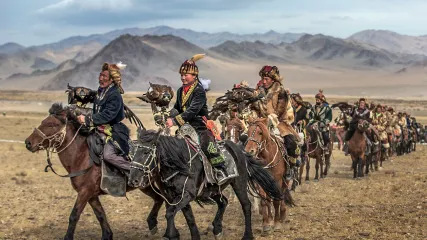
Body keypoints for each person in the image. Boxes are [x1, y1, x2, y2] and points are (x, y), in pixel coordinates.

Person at [165, 54, 232, 184]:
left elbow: (192, 111)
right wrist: (169, 116)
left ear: (194, 76)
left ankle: (220, 169)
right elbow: (177, 107)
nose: (183, 77)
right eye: (182, 75)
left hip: (200, 125)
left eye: (186, 75)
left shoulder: (199, 91)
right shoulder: (180, 91)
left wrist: (174, 121)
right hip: (185, 127)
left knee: (207, 146)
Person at [77, 62, 131, 173]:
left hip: (113, 132)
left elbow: (107, 115)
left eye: (104, 76)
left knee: (108, 156)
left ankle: (134, 171)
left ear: (111, 80)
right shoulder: (102, 91)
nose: (100, 78)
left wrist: (87, 119)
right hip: (99, 129)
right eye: (100, 75)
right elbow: (95, 99)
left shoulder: (114, 94)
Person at [249, 65, 301, 175]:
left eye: (266, 79)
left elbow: (280, 111)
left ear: (273, 80)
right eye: (262, 79)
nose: (264, 81)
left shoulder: (281, 92)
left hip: (279, 123)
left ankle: (290, 168)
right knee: (244, 139)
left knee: (290, 143)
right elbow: (254, 108)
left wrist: (268, 120)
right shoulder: (259, 92)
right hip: (260, 122)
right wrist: (253, 116)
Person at [308, 90, 332, 154]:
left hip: (323, 125)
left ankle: (326, 146)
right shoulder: (313, 108)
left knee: (324, 133)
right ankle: (306, 146)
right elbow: (311, 115)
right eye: (316, 99)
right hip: (314, 124)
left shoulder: (327, 108)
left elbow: (329, 118)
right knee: (307, 130)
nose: (317, 100)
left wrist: (322, 123)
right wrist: (312, 121)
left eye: (318, 99)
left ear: (322, 100)